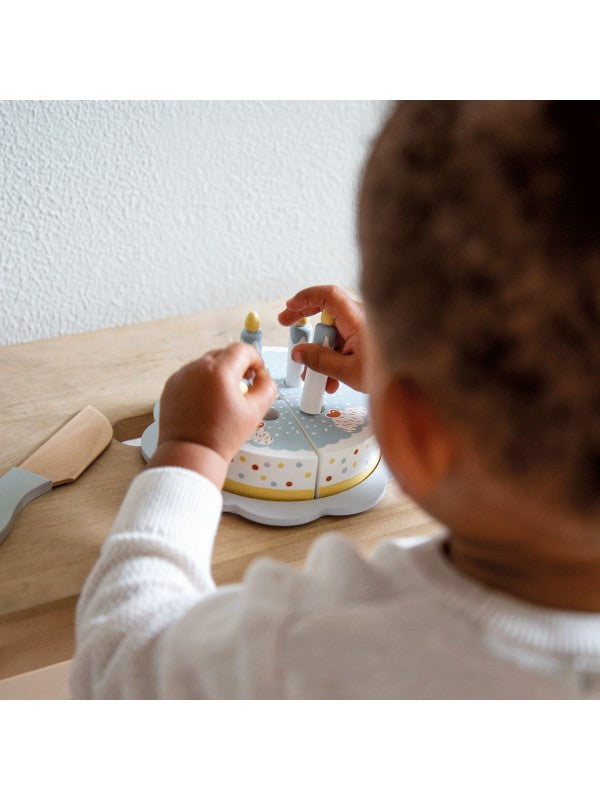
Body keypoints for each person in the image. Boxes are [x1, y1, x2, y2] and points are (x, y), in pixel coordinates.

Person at [70, 101, 600, 699]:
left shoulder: (309, 648)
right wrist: (437, 382)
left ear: (415, 434)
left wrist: (189, 455)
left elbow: (118, 666)